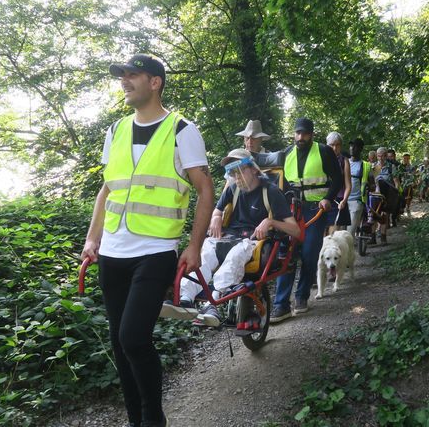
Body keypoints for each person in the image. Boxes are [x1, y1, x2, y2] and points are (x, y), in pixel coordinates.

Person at [80, 54, 214, 427]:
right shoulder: (116, 130)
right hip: (112, 253)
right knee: (120, 345)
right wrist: (93, 238)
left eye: (132, 75)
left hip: (155, 251)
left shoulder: (182, 130)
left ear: (155, 82)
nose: (124, 81)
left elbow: (205, 189)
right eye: (121, 76)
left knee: (134, 338)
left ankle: (154, 418)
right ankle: (135, 419)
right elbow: (107, 189)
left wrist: (194, 245)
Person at [161, 149, 300, 326]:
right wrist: (216, 218)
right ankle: (186, 298)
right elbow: (217, 211)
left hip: (253, 242)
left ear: (254, 169)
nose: (236, 176)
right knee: (205, 254)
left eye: (240, 171)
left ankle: (214, 303)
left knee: (235, 255)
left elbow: (295, 231)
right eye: (232, 172)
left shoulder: (271, 191)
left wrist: (270, 222)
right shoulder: (233, 189)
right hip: (227, 238)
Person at [254, 118, 342, 321]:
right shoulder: (286, 154)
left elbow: (337, 179)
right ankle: (281, 304)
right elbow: (270, 171)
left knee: (310, 252)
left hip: (315, 210)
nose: (300, 137)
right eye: (298, 133)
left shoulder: (324, 152)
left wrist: (328, 199)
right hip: (290, 210)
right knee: (285, 253)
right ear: (294, 133)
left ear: (311, 134)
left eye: (305, 134)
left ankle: (301, 296)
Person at [347, 139, 375, 238]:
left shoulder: (366, 166)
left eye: (355, 146)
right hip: (342, 200)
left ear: (360, 149)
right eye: (351, 146)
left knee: (349, 232)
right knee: (338, 231)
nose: (352, 148)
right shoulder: (344, 162)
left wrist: (370, 186)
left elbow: (373, 184)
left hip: (357, 200)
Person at [325, 132, 351, 236]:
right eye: (332, 145)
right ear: (327, 145)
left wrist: (344, 200)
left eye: (338, 145)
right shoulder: (322, 159)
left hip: (338, 201)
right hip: (322, 199)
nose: (335, 148)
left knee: (333, 235)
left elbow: (348, 185)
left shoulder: (344, 161)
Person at [373, 147, 400, 244]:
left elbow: (396, 181)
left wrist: (396, 192)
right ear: (377, 156)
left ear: (386, 156)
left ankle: (383, 236)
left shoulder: (391, 167)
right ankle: (373, 237)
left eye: (383, 156)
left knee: (384, 215)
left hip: (387, 194)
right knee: (373, 214)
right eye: (379, 156)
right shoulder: (373, 167)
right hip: (376, 194)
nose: (381, 158)